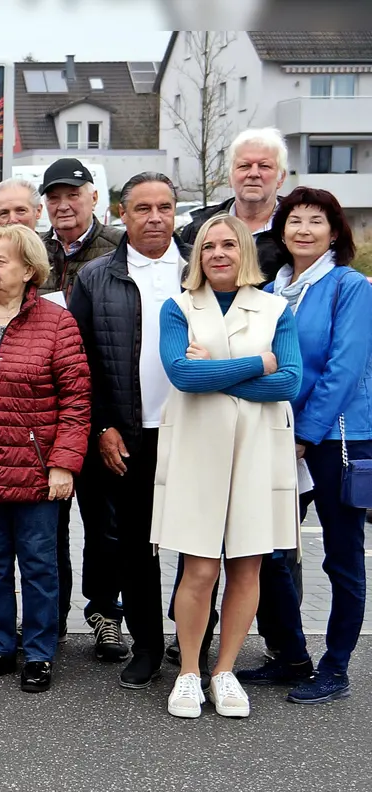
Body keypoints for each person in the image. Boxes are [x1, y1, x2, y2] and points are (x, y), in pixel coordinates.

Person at [155, 214, 302, 718]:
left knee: (248, 563)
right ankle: (190, 672)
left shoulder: (275, 309)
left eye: (228, 245)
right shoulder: (177, 308)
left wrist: (212, 373)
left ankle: (226, 672)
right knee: (198, 566)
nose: (218, 253)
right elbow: (180, 375)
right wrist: (259, 363)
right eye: (208, 246)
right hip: (199, 448)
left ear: (245, 252)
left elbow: (289, 383)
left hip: (257, 450)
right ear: (197, 256)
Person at [243, 187, 372, 705]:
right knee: (268, 551)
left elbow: (344, 368)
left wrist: (305, 433)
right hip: (280, 434)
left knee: (341, 558)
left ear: (334, 232)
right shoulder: (274, 289)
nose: (302, 229)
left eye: (315, 221)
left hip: (338, 438)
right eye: (293, 219)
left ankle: (335, 667)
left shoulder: (350, 286)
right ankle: (292, 655)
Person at [0, 225, 91, 694]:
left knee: (38, 564)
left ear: (29, 269)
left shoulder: (56, 322)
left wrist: (63, 463)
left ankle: (38, 653)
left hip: (34, 466)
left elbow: (76, 400)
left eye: (2, 260)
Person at [68, 172, 184, 688]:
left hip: (192, 433)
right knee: (136, 548)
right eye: (143, 208)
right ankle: (148, 647)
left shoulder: (199, 268)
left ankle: (196, 641)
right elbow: (79, 362)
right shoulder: (96, 277)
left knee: (197, 546)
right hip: (129, 436)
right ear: (123, 213)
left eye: (164, 207)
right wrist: (102, 427)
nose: (155, 217)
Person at [181, 128, 290, 280]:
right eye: (244, 166)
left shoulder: (297, 232)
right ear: (230, 177)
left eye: (264, 166)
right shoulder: (198, 230)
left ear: (281, 178)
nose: (253, 174)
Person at [40, 158, 124, 299]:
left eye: (73, 195)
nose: (63, 206)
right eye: (53, 198)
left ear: (94, 198)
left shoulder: (120, 246)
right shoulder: (33, 249)